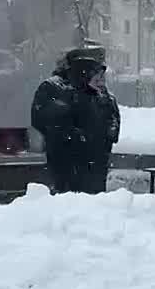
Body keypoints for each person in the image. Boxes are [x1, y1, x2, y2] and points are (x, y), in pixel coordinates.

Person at [29, 44, 120, 194]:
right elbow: (44, 119)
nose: (100, 79)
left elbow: (112, 117)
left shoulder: (100, 92)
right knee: (69, 201)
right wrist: (76, 137)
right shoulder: (54, 87)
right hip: (66, 162)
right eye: (95, 71)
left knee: (95, 201)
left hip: (96, 162)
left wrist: (107, 136)